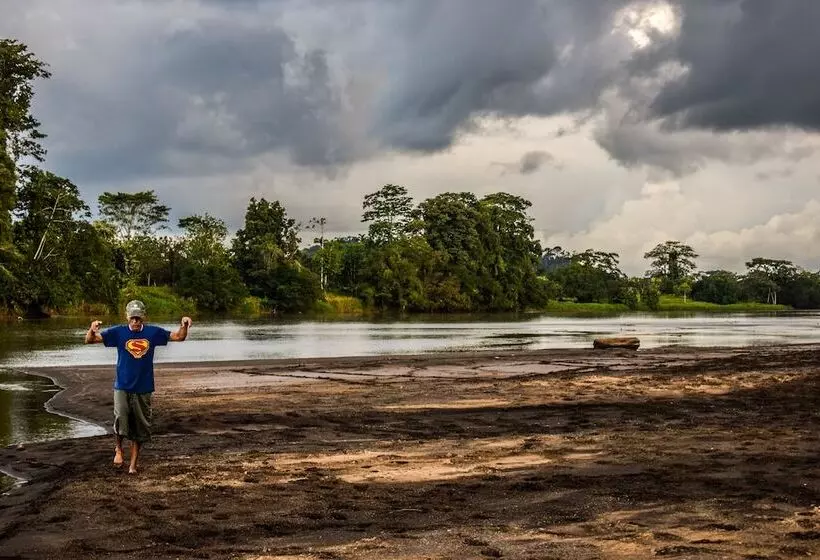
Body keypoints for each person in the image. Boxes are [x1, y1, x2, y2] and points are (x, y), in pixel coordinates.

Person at [85, 300, 191, 474]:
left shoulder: (152, 332)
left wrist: (184, 324)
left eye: (139, 318)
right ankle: (118, 449)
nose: (135, 322)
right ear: (127, 317)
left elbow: (179, 337)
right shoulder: (118, 332)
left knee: (141, 427)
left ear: (143, 318)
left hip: (144, 387)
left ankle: (133, 465)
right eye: (133, 318)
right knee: (121, 417)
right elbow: (90, 340)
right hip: (122, 386)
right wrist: (92, 329)